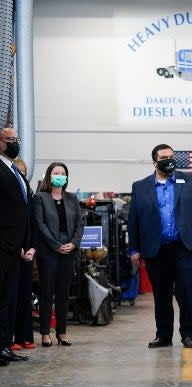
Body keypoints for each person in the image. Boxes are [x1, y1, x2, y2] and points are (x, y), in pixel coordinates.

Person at [128, 144, 192, 350]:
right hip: (156, 250)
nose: (169, 160)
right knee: (161, 297)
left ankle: (188, 334)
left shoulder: (190, 180)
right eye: (164, 157)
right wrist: (134, 249)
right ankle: (163, 336)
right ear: (155, 162)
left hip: (184, 248)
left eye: (171, 156)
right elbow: (133, 219)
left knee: (187, 294)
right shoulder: (140, 186)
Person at [31, 162, 84, 347]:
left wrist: (74, 244)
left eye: (62, 173)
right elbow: (40, 224)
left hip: (69, 251)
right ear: (49, 176)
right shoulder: (40, 198)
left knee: (63, 294)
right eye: (56, 173)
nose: (59, 175)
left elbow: (79, 224)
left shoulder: (72, 198)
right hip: (49, 252)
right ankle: (45, 333)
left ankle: (62, 332)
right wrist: (55, 245)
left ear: (66, 177)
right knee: (47, 293)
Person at [0, 127, 34, 365]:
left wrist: (26, 244)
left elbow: (24, 209)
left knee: (7, 299)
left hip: (15, 249)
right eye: (10, 140)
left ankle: (3, 345)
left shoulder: (15, 171)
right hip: (3, 246)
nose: (15, 143)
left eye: (16, 139)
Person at [11, 158, 36, 350]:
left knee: (25, 295)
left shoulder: (29, 193)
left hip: (27, 250)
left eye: (23, 171)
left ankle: (24, 336)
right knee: (11, 295)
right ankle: (10, 338)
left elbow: (32, 222)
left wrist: (31, 248)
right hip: (12, 249)